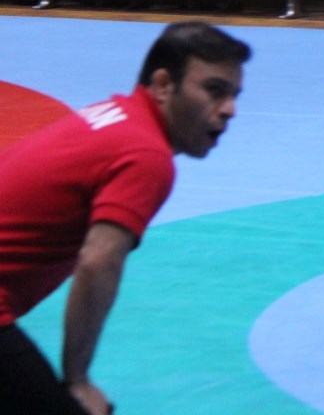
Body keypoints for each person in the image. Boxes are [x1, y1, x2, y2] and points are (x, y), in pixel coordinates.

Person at [0, 21, 251, 415]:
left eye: (234, 95)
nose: (230, 110)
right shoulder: (146, 155)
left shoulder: (112, 115)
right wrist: (77, 379)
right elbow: (99, 260)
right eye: (214, 90)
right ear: (164, 84)